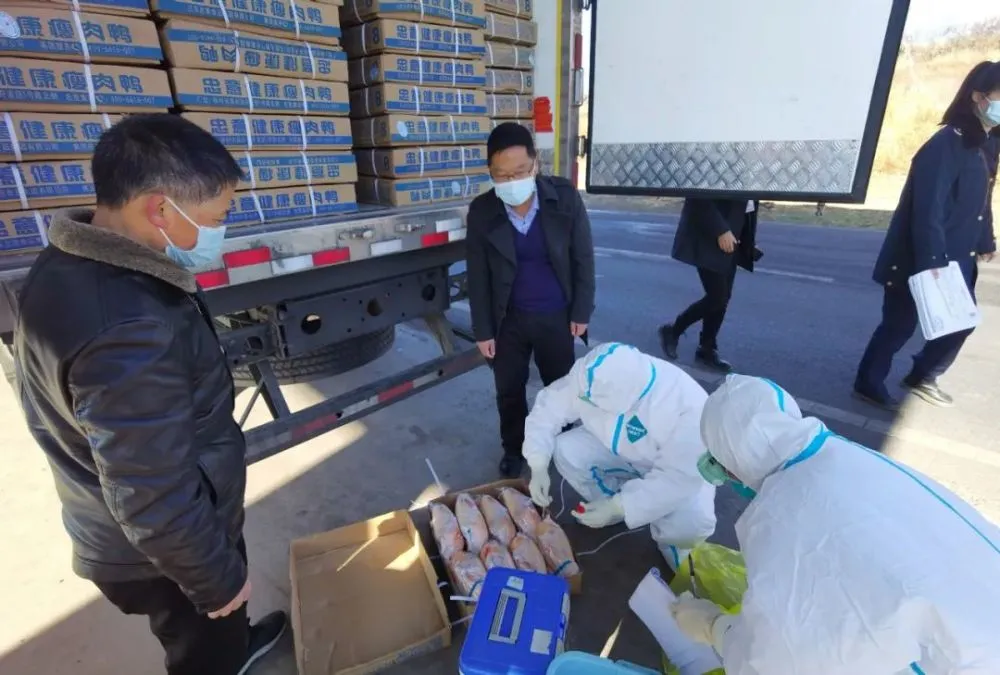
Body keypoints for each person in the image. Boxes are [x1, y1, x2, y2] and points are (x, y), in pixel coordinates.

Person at [13, 114, 286, 675]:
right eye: (217, 218)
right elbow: (153, 495)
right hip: (160, 556)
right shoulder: (130, 331)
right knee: (205, 650)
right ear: (160, 209)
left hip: (123, 522)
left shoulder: (71, 261)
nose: (221, 232)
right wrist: (217, 581)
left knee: (220, 634)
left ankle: (235, 641)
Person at [671, 374, 1000, 674]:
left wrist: (715, 628)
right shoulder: (847, 456)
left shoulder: (781, 517)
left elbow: (781, 660)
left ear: (731, 462)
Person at [855, 60, 999, 410]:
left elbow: (983, 199)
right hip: (920, 257)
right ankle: (868, 382)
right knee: (899, 325)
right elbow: (927, 209)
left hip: (958, 256)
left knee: (961, 323)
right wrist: (932, 261)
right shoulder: (945, 143)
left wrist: (986, 239)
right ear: (978, 97)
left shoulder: (986, 144)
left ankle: (922, 374)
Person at [466, 122, 596, 478]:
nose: (512, 181)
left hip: (556, 315)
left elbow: (583, 258)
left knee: (561, 388)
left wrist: (581, 311)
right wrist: (483, 330)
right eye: (502, 175)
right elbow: (477, 276)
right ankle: (514, 448)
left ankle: (563, 445)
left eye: (520, 171)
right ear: (490, 172)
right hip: (507, 319)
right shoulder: (482, 211)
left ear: (535, 163)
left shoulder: (564, 198)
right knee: (509, 390)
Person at [522, 342, 716, 569]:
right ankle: (607, 506)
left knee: (691, 523)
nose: (583, 400)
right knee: (566, 449)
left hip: (674, 471)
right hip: (616, 450)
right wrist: (538, 463)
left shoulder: (687, 404)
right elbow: (548, 410)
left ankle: (665, 543)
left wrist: (622, 505)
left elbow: (678, 478)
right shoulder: (590, 377)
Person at [658, 198, 759, 373]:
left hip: (733, 233)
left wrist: (747, 237)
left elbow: (748, 202)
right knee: (717, 297)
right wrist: (720, 230)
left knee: (723, 297)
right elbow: (697, 198)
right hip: (710, 234)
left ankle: (707, 348)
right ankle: (673, 331)